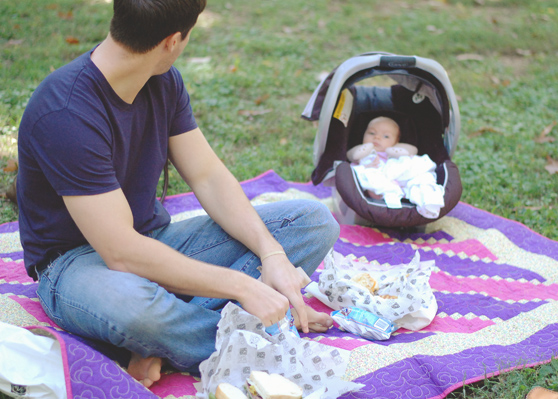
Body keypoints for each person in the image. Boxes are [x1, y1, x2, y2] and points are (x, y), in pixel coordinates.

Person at [17, 0, 338, 388]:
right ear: (173, 40)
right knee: (136, 309)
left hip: (154, 238)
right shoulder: (65, 111)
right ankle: (254, 333)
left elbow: (207, 177)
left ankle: (168, 341)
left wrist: (271, 254)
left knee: (312, 222)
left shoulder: (163, 81)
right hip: (76, 265)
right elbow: (120, 251)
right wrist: (245, 286)